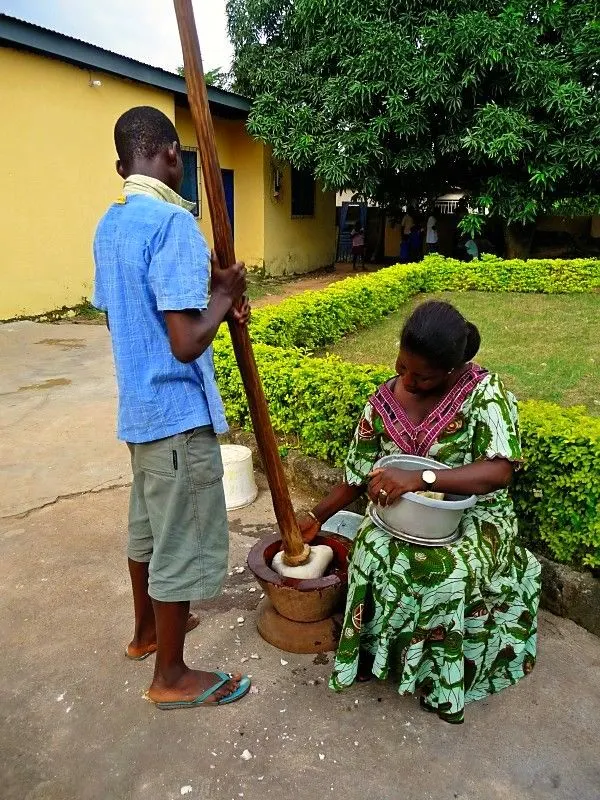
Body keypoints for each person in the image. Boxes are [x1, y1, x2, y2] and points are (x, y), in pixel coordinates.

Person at [298, 301, 540, 724]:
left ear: (453, 370)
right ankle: (372, 658)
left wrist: (422, 478)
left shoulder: (484, 393)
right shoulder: (384, 400)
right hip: (397, 516)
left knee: (446, 573)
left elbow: (499, 471)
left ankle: (442, 685)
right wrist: (316, 517)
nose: (407, 381)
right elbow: (357, 475)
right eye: (402, 366)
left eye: (422, 376)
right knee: (370, 549)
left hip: (477, 517)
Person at [93, 106, 252, 710]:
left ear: (121, 165)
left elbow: (129, 310)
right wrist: (223, 295)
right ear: (170, 158)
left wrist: (210, 294)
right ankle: (171, 676)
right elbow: (186, 340)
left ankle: (145, 634)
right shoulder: (174, 224)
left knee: (147, 531)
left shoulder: (111, 225)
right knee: (179, 539)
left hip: (137, 412)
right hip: (176, 415)